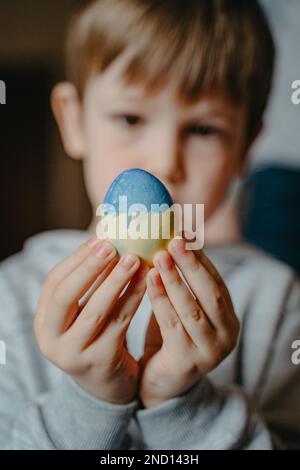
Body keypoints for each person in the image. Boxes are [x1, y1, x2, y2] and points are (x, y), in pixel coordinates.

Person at [0, 0, 299, 450]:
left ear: (246, 149)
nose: (163, 162)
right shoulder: (13, 296)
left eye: (203, 129)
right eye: (130, 118)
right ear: (73, 119)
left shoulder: (279, 305)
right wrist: (88, 399)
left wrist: (183, 402)